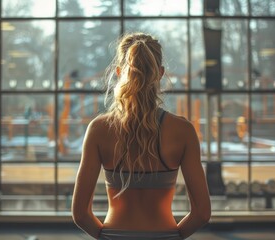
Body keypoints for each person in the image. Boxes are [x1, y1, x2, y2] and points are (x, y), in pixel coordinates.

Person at [72, 32, 211, 240]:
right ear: (160, 73)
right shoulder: (183, 131)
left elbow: (80, 214)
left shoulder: (99, 129)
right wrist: (173, 236)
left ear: (119, 72)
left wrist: (107, 237)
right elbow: (201, 213)